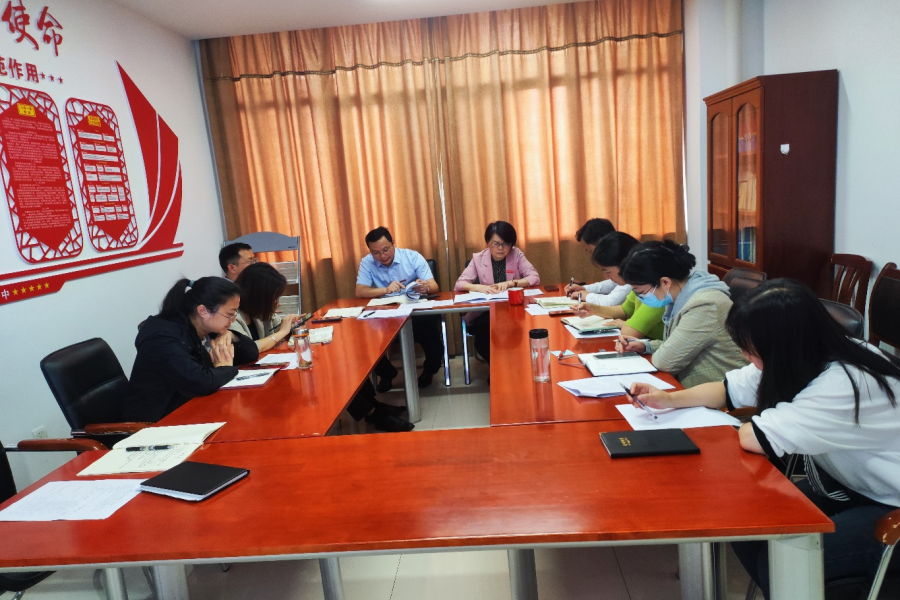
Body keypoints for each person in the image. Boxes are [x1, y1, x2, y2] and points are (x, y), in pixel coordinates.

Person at [629, 279, 900, 599]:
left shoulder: (848, 382)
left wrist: (751, 423)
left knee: (781, 563)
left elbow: (754, 437)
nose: (745, 356)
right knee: (742, 520)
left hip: (888, 502)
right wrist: (669, 399)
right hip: (851, 484)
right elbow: (725, 390)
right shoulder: (802, 352)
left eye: (750, 349)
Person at [123, 277, 259, 422]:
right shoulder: (163, 339)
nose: (233, 320)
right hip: (155, 422)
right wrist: (226, 368)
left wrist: (231, 335)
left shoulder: (202, 325)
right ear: (203, 311)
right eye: (229, 314)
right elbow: (201, 381)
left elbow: (251, 353)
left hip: (189, 409)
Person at [615, 240, 747, 387]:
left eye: (641, 292)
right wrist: (645, 346)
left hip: (721, 394)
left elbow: (665, 362)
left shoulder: (705, 304)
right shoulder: (681, 296)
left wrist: (652, 349)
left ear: (665, 282)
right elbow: (679, 344)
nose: (641, 297)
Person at [356, 226, 444, 389]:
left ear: (393, 243)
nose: (382, 256)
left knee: (430, 327)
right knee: (361, 334)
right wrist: (385, 290)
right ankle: (387, 373)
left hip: (414, 309)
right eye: (376, 253)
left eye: (386, 250)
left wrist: (424, 287)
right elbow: (360, 291)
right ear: (370, 251)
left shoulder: (412, 257)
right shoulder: (367, 262)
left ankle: (430, 370)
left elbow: (434, 286)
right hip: (385, 312)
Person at [454, 221, 540, 363]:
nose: (501, 248)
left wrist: (511, 283)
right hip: (487, 311)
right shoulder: (478, 258)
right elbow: (460, 284)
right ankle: (495, 367)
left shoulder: (516, 254)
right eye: (496, 243)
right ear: (488, 243)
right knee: (483, 338)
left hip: (514, 308)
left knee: (524, 332)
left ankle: (515, 363)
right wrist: (480, 287)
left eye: (506, 244)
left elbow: (534, 277)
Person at [573, 232, 664, 340]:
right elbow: (624, 311)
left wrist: (626, 324)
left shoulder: (656, 289)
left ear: (625, 264)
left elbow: (630, 333)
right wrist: (594, 309)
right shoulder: (639, 284)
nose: (606, 276)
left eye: (607, 271)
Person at [231, 262, 299, 352]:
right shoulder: (231, 316)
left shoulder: (258, 310)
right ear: (258, 295)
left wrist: (291, 324)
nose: (276, 302)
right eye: (273, 297)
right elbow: (249, 349)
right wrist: (283, 331)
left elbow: (278, 330)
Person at [564, 218, 621, 302]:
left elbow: (611, 301)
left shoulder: (629, 262)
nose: (591, 256)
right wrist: (584, 288)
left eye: (590, 251)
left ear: (601, 243)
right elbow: (614, 283)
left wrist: (585, 295)